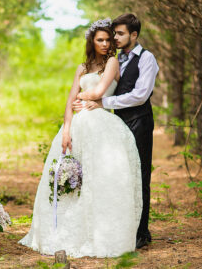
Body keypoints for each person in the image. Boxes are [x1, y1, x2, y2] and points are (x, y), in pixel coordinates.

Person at [19, 18, 143, 258]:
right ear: (92, 41)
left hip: (102, 123)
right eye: (100, 40)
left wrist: (85, 97)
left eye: (108, 40)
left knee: (101, 178)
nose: (106, 44)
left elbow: (98, 91)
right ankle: (66, 232)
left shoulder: (112, 63)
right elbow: (69, 101)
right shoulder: (82, 67)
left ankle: (101, 232)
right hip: (78, 125)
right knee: (73, 177)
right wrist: (66, 129)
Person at [73, 13, 159, 249]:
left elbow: (140, 95)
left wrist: (102, 103)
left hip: (139, 121)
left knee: (140, 174)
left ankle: (142, 232)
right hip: (117, 124)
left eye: (120, 34)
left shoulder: (147, 58)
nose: (115, 38)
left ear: (134, 35)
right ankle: (124, 227)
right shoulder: (116, 60)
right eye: (114, 34)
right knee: (121, 174)